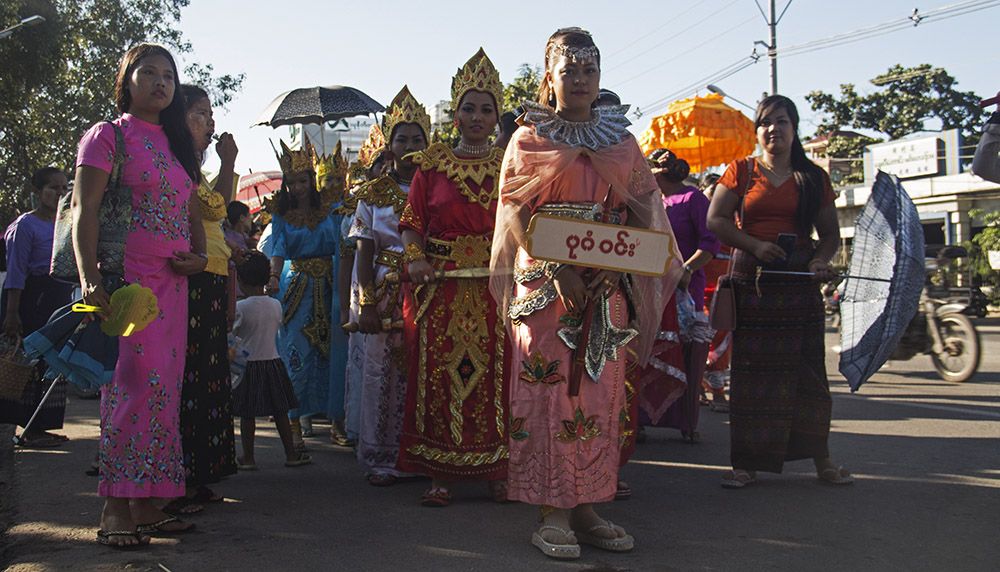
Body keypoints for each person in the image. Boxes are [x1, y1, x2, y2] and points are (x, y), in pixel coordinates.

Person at [489, 28, 681, 560]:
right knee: (549, 394)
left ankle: (589, 504)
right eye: (569, 70)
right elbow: (516, 211)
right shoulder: (529, 138)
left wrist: (614, 260)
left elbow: (645, 210)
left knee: (600, 395)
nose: (580, 80)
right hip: (548, 290)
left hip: (606, 287)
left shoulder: (622, 142)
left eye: (589, 70)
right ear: (548, 77)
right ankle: (550, 510)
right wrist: (560, 269)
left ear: (600, 78)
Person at [75, 43, 204, 547]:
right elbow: (86, 211)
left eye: (167, 75)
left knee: (163, 392)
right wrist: (91, 280)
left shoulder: (178, 144)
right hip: (125, 283)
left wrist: (198, 257)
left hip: (172, 286)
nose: (159, 82)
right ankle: (113, 508)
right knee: (130, 387)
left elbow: (191, 212)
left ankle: (150, 503)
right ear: (126, 80)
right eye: (147, 72)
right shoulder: (107, 136)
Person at [706, 94, 852, 489]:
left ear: (794, 127)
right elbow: (716, 220)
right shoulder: (740, 171)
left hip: (799, 285)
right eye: (766, 122)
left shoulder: (814, 178)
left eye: (782, 121)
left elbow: (830, 236)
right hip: (752, 283)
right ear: (758, 131)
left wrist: (820, 261)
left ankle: (823, 461)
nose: (774, 129)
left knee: (809, 375)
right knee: (752, 374)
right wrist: (753, 245)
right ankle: (745, 463)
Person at [396, 48, 509, 507]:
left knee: (497, 374)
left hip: (493, 287)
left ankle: (498, 469)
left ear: (497, 115)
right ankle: (438, 473)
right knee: (439, 374)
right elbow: (410, 221)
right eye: (468, 107)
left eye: (486, 109)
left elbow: (521, 220)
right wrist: (416, 258)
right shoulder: (432, 163)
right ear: (455, 112)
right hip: (439, 287)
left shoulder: (510, 163)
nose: (477, 117)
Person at [349, 86, 428, 486]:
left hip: (426, 289)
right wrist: (365, 304)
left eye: (417, 139)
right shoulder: (372, 194)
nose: (409, 146)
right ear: (389, 144)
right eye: (402, 138)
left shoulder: (437, 186)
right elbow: (363, 251)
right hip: (383, 289)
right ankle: (382, 455)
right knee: (382, 371)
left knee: (423, 369)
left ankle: (422, 453)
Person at [170, 83, 238, 514]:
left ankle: (202, 473)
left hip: (212, 278)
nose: (210, 122)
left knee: (210, 376)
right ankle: (183, 476)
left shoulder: (194, 166)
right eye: (199, 114)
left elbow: (220, 207)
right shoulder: (173, 163)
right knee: (191, 378)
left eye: (211, 114)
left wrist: (228, 162)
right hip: (189, 280)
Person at [264, 140, 344, 450]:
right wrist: (272, 277)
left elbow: (342, 244)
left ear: (313, 179)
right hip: (296, 287)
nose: (297, 187)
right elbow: (278, 250)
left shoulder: (332, 208)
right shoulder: (281, 214)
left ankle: (337, 420)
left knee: (334, 353)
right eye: (292, 182)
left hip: (331, 286)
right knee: (296, 352)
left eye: (303, 180)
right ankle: (295, 422)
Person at [638, 149, 719, 441]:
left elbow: (710, 242)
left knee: (688, 357)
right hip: (650, 288)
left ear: (662, 171)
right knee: (645, 353)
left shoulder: (694, 198)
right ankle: (640, 421)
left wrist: (685, 269)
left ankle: (687, 423)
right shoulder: (648, 201)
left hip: (685, 290)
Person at [0, 167, 76, 448]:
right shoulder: (25, 226)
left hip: (58, 297)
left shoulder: (65, 224)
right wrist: (12, 313)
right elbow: (16, 271)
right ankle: (25, 427)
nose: (59, 193)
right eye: (52, 188)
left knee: (51, 361)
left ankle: (41, 426)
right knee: (28, 360)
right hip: (31, 298)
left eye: (63, 188)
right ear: (37, 191)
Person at [231, 250, 311, 469]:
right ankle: (291, 455)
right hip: (273, 362)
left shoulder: (240, 308)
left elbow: (234, 332)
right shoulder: (275, 304)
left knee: (248, 415)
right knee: (280, 412)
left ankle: (248, 457)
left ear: (240, 279)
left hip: (248, 365)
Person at [342, 124, 386, 445]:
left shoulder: (425, 188)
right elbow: (357, 257)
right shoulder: (367, 201)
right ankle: (374, 441)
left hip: (418, 286)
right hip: (376, 284)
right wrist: (358, 304)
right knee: (375, 365)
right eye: (378, 163)